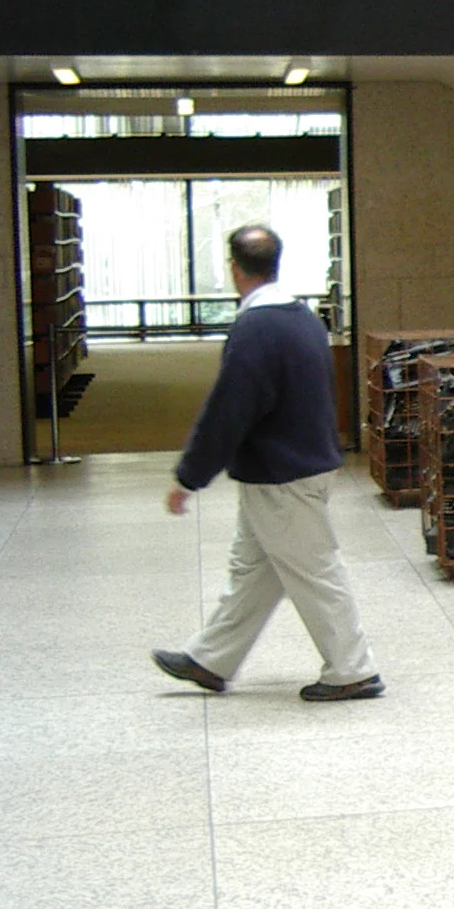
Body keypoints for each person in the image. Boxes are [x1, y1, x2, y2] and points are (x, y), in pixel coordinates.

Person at [152, 225, 385, 702]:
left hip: (281, 474)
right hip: (302, 462)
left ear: (234, 269)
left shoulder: (255, 328)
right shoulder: (303, 317)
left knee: (315, 571)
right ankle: (210, 659)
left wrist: (189, 477)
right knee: (254, 569)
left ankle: (352, 670)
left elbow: (229, 411)